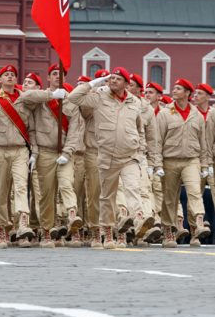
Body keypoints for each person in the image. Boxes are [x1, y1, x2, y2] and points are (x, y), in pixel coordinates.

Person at [66, 68, 155, 249]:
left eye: (117, 79)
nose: (113, 81)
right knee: (107, 197)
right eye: (111, 78)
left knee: (132, 188)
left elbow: (140, 129)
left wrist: (140, 151)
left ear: (126, 84)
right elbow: (73, 98)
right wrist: (93, 83)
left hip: (130, 156)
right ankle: (107, 232)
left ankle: (138, 219)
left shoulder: (135, 102)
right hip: (107, 156)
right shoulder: (99, 98)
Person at [17, 65, 85, 247]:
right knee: (46, 194)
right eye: (54, 74)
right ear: (48, 78)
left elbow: (75, 131)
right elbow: (25, 97)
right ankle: (47, 231)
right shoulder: (41, 98)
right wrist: (51, 96)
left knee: (66, 184)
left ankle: (72, 214)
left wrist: (67, 151)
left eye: (61, 74)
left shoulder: (71, 101)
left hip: (64, 153)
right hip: (45, 152)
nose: (58, 77)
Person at [0, 66, 35, 248]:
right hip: (0, 150)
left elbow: (31, 127)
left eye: (13, 74)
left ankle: (23, 225)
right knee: (1, 191)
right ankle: (1, 228)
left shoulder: (24, 98)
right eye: (6, 75)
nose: (10, 77)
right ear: (0, 80)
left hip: (20, 149)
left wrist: (34, 150)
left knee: (20, 187)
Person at [154, 78, 211, 247]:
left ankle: (198, 224)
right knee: (170, 199)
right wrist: (157, 164)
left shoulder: (197, 115)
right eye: (174, 88)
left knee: (194, 192)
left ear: (187, 93)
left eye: (178, 89)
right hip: (169, 161)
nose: (174, 90)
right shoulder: (165, 113)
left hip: (191, 160)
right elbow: (157, 140)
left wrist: (205, 165)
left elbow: (204, 142)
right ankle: (169, 232)